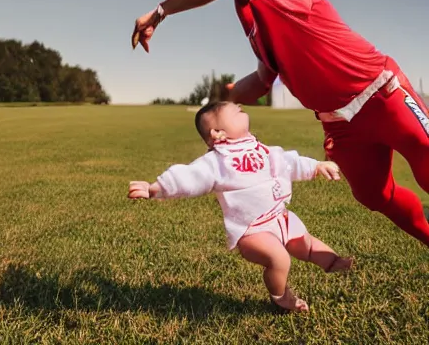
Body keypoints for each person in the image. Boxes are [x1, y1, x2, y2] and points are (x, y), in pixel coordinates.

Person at [131, 0, 429, 247]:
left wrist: (159, 12)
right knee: (374, 195)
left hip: (379, 90)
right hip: (337, 121)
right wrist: (221, 107)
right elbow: (263, 78)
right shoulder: (251, 12)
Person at [128, 101, 353, 312]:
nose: (239, 105)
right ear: (218, 133)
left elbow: (287, 162)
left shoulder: (262, 149)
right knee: (279, 258)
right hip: (252, 229)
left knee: (305, 243)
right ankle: (281, 296)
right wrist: (154, 188)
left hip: (279, 216)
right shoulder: (217, 162)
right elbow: (188, 177)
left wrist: (316, 166)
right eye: (233, 109)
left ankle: (331, 261)